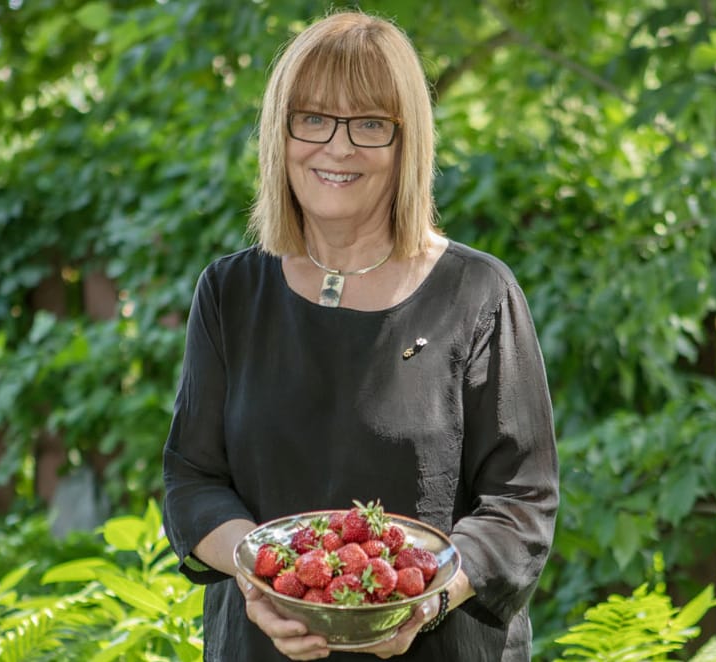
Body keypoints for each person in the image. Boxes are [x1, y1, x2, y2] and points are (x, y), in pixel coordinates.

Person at [161, 9, 558, 661]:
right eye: (312, 118)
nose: (337, 147)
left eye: (369, 124)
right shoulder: (231, 294)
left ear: (407, 142)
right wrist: (257, 578)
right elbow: (192, 479)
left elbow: (521, 503)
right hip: (262, 645)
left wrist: (427, 598)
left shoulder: (477, 294)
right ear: (279, 133)